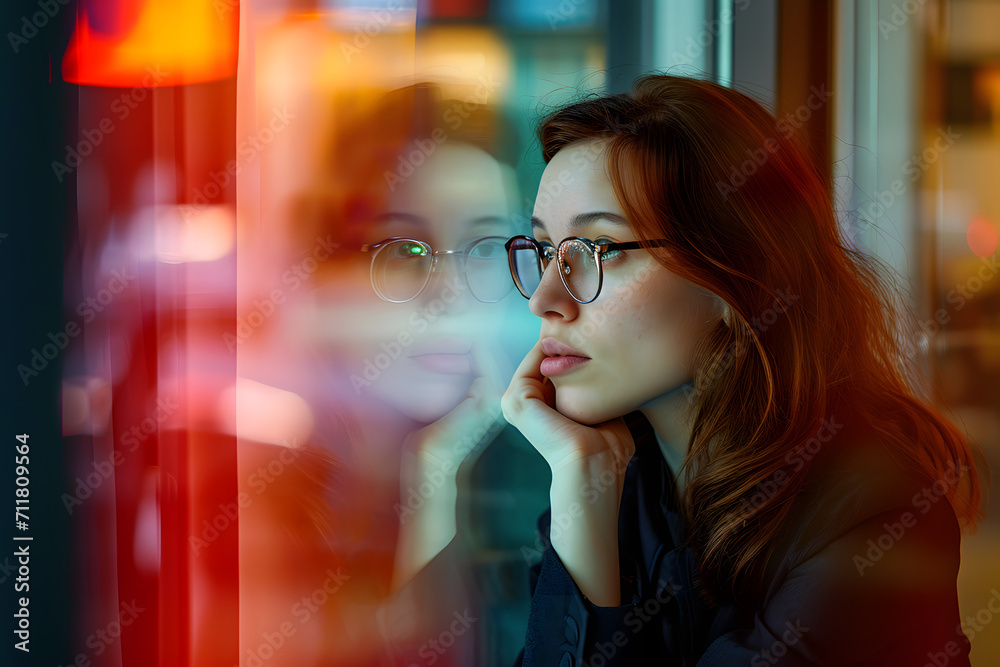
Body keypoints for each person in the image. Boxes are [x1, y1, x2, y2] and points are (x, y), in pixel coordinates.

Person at [499, 74, 986, 665]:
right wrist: (581, 487)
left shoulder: (872, 517)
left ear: (735, 280)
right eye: (547, 251)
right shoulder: (609, 478)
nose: (545, 297)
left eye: (598, 250)